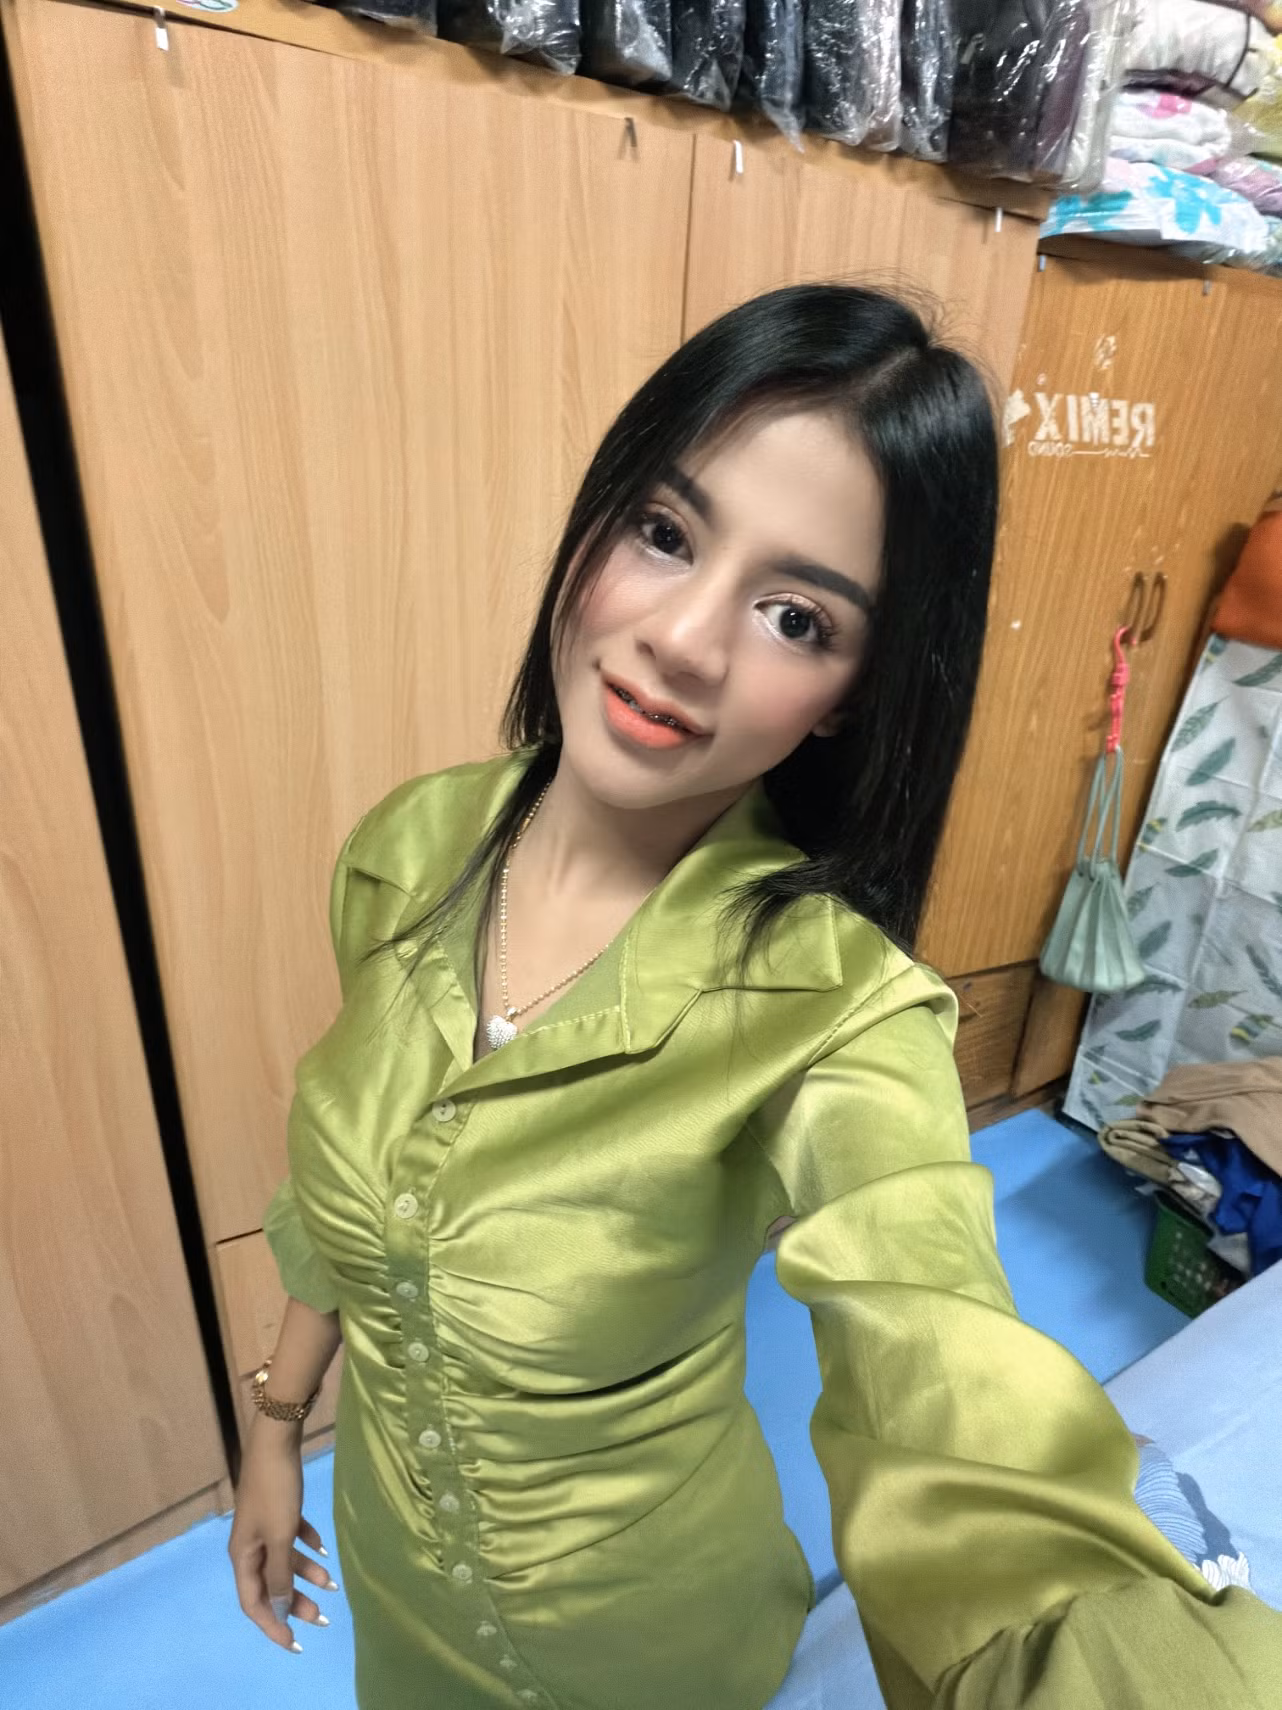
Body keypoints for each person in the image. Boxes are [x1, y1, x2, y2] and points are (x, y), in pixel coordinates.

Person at [229, 284, 1281, 1709]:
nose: (684, 639)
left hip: (648, 1646)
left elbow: (944, 1363)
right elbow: (343, 1190)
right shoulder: (404, 851)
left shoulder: (836, 1009)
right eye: (665, 534)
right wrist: (276, 1425)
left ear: (850, 690)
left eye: (795, 616)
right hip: (397, 1586)